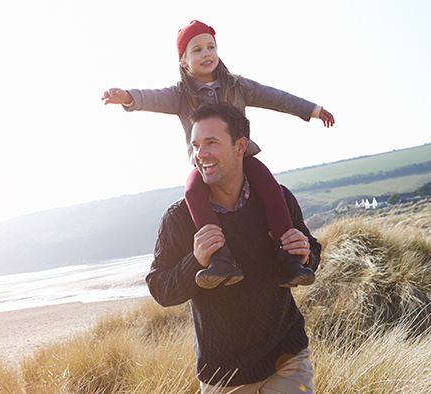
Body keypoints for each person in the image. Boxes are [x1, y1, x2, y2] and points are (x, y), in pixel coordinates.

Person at [102, 20, 333, 289]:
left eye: (211, 46)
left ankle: (289, 256)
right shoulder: (180, 95)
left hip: (242, 158)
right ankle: (220, 258)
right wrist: (128, 97)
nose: (206, 53)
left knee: (271, 188)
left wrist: (313, 110)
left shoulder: (238, 86)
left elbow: (275, 98)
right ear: (184, 62)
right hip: (206, 166)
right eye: (197, 50)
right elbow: (152, 97)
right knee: (192, 192)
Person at [146, 102, 321, 393]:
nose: (201, 154)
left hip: (287, 357)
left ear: (241, 146)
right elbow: (160, 289)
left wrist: (306, 254)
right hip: (224, 374)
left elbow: (311, 250)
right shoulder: (178, 218)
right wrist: (196, 260)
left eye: (211, 143)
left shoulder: (278, 199)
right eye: (196, 145)